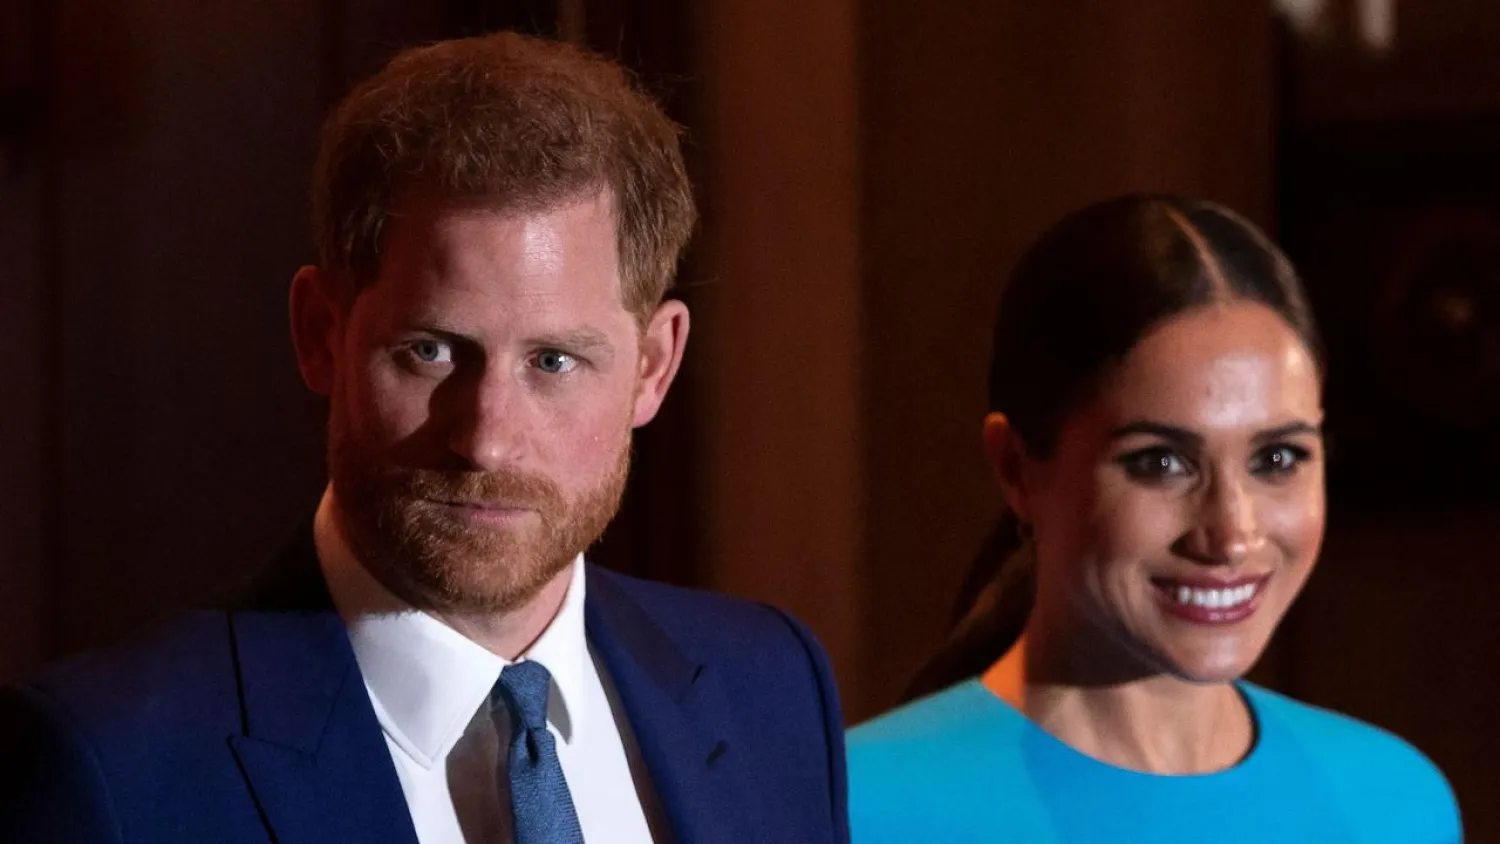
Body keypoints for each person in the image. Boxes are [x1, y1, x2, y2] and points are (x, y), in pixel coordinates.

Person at [1, 31, 848, 844]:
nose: (486, 440)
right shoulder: (114, 770)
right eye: (431, 351)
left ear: (653, 367)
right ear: (320, 333)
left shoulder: (770, 688)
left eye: (554, 361)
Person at [846, 195, 1461, 843]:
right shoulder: (851, 808)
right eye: (1161, 462)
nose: (1231, 533)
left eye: (1278, 457)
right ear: (1018, 469)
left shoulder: (1393, 803)